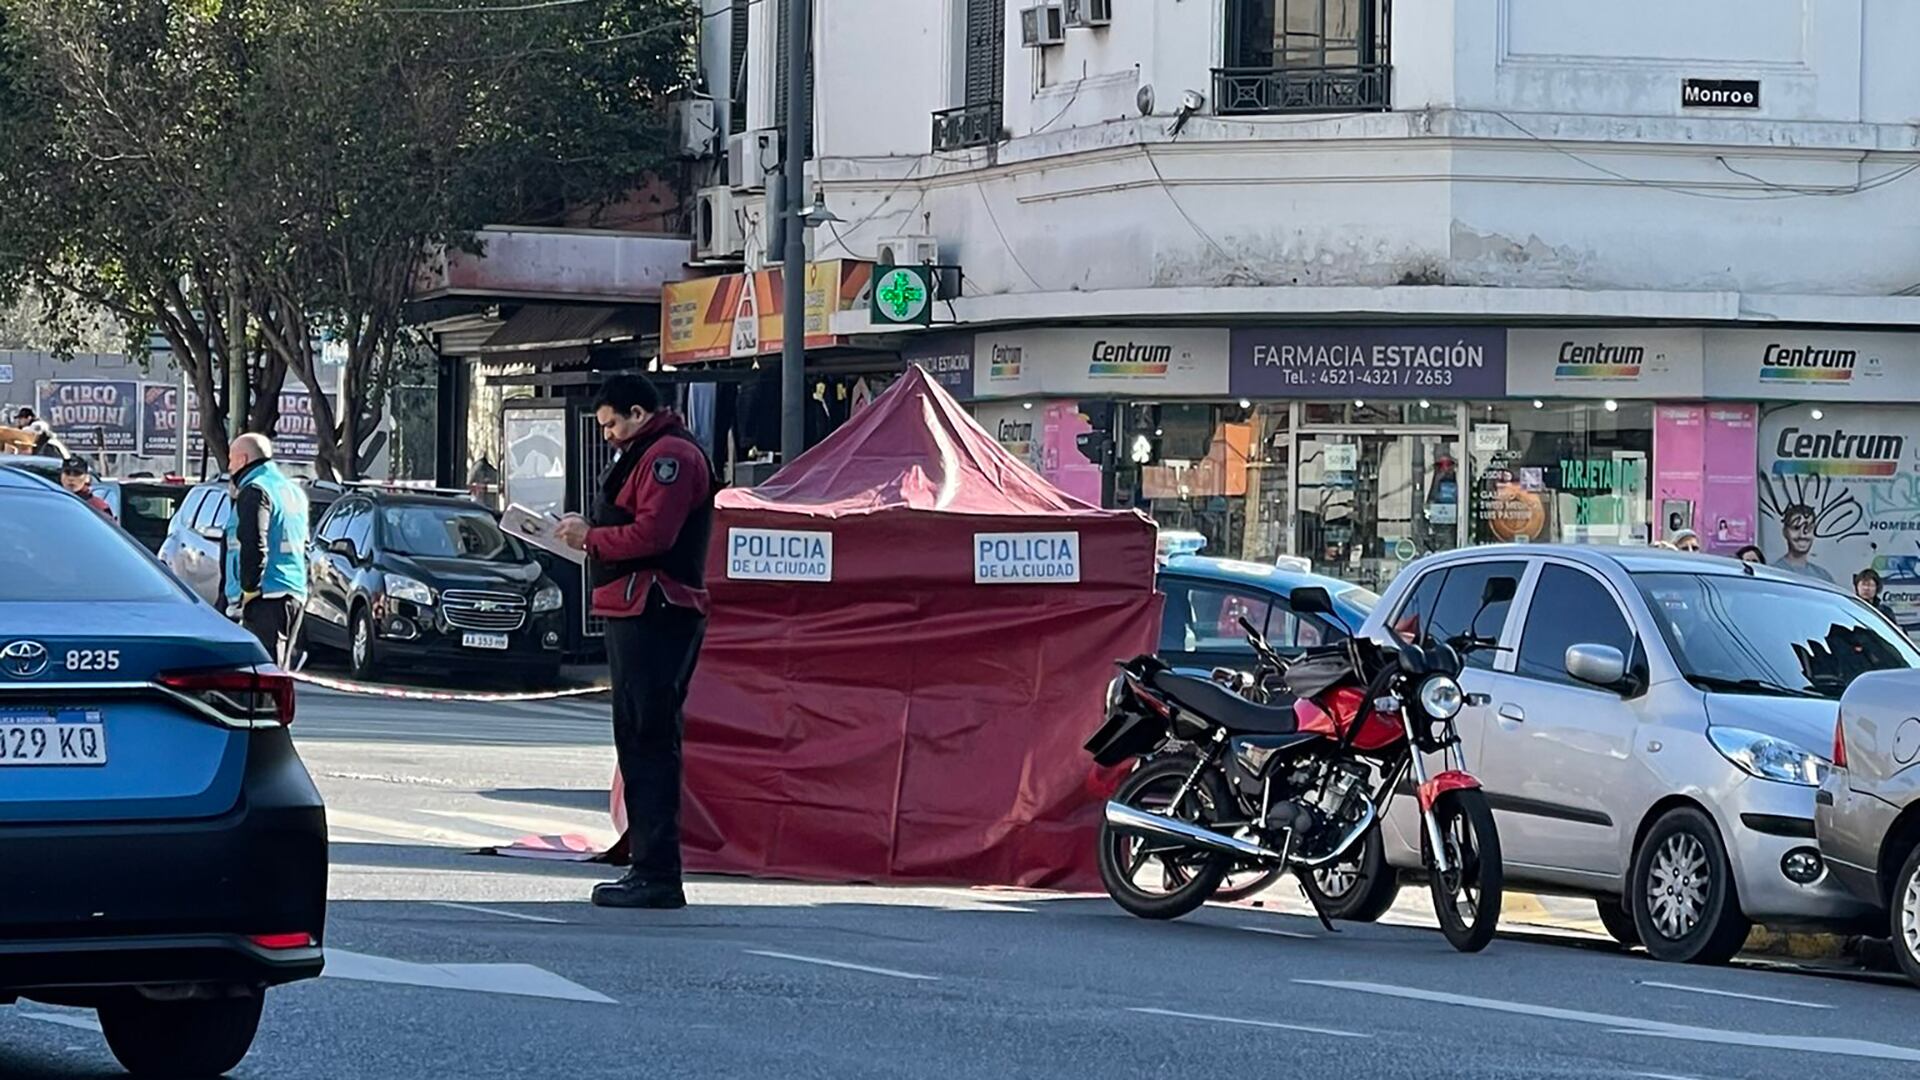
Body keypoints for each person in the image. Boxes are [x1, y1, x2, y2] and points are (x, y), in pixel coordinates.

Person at [554, 374, 716, 911]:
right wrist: (588, 530)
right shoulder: (648, 452)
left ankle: (657, 872)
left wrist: (591, 539)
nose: (608, 436)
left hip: (655, 609)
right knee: (638, 739)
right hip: (635, 608)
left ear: (639, 413)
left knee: (649, 740)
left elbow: (654, 535)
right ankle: (648, 866)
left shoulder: (670, 457)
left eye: (612, 424)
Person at [222, 433, 310, 668]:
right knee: (277, 671)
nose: (229, 467)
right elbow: (303, 544)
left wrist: (249, 589)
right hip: (292, 591)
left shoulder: (256, 490)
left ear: (242, 460)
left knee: (261, 674)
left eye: (231, 460)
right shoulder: (292, 491)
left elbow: (253, 541)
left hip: (265, 596)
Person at [1775, 504, 1834, 582]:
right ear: (1785, 532)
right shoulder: (1774, 573)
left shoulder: (1823, 577)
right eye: (1796, 528)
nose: (1802, 535)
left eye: (1808, 528)